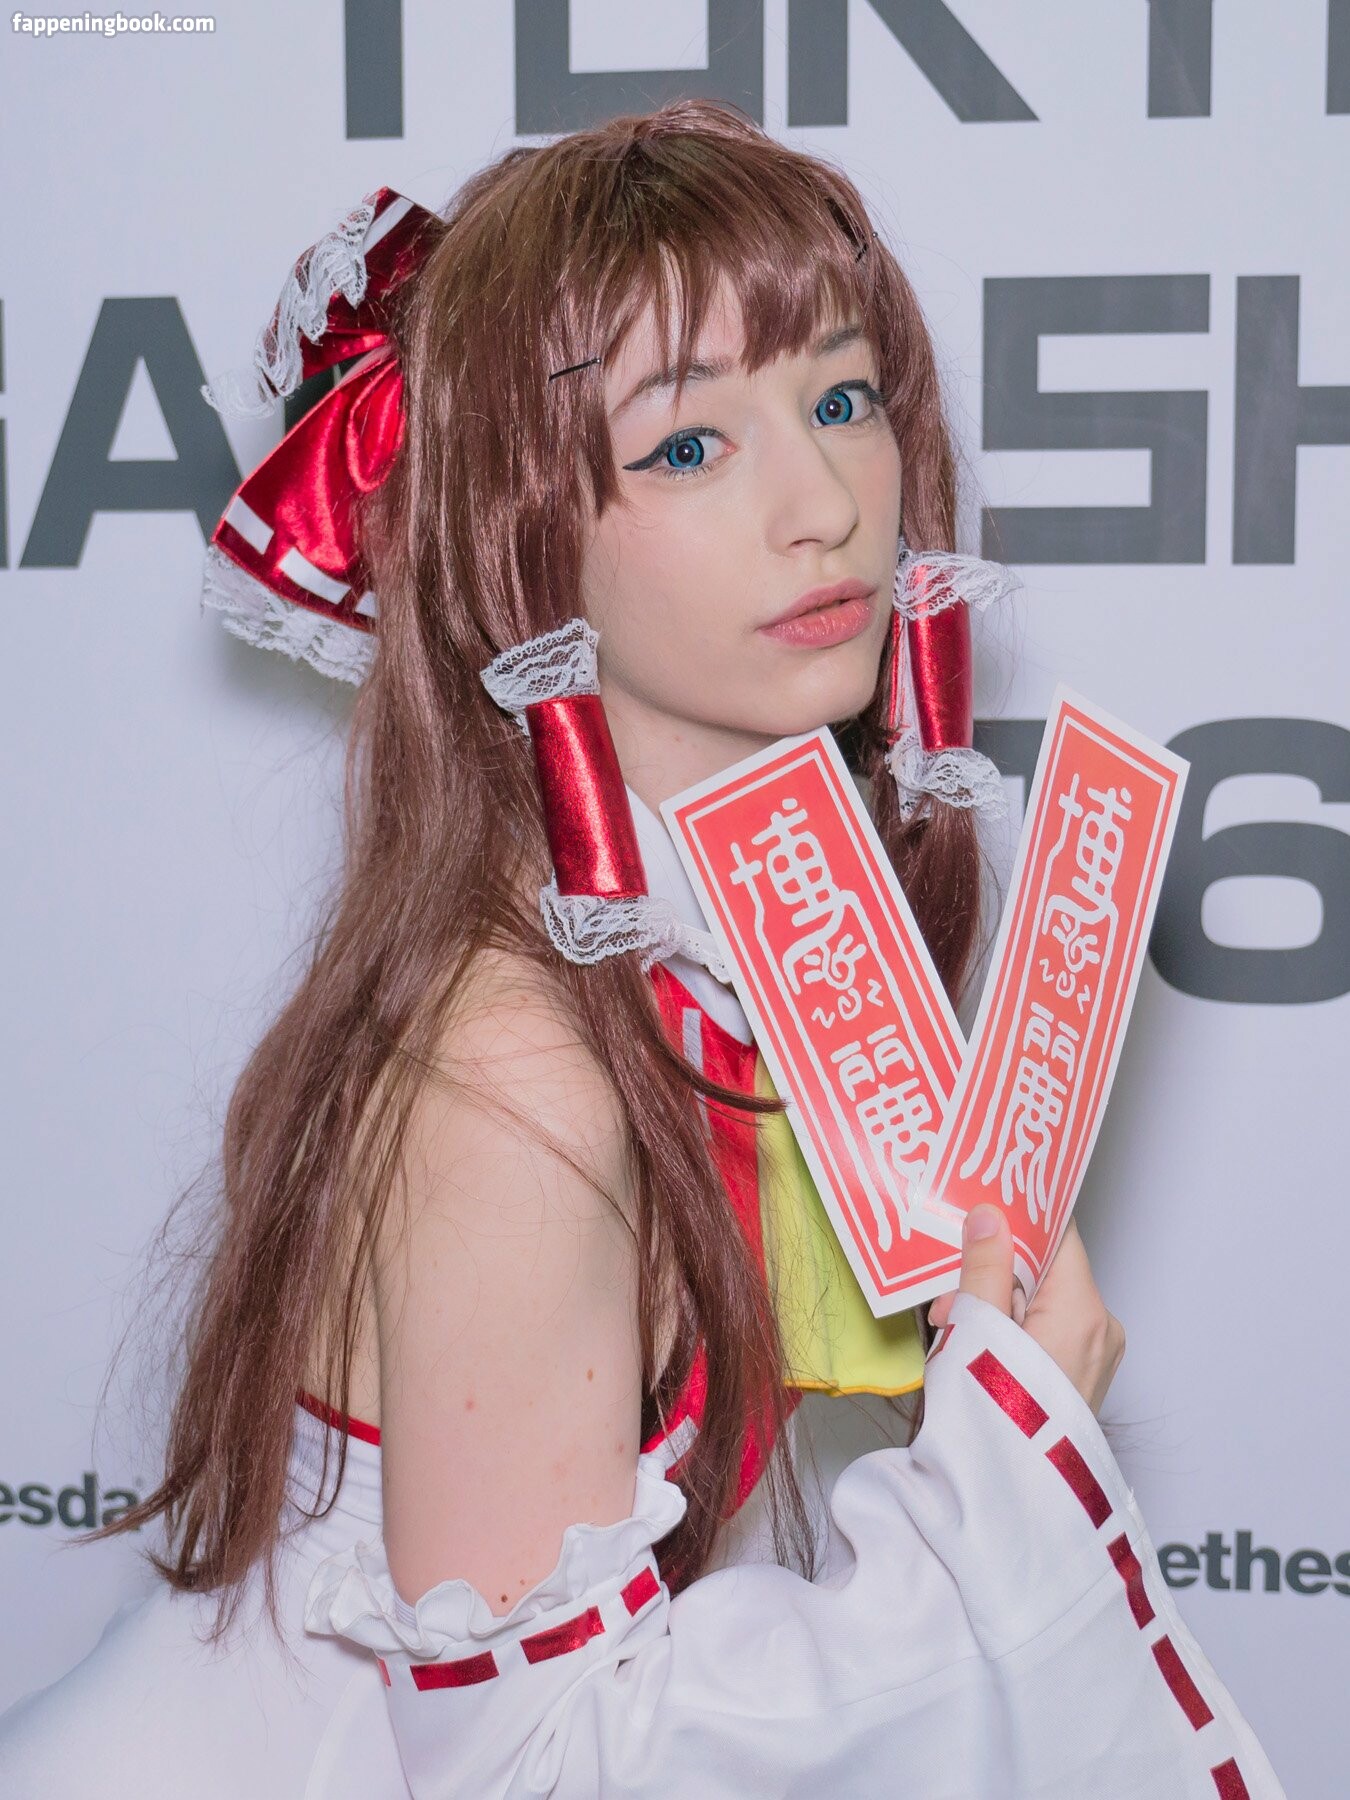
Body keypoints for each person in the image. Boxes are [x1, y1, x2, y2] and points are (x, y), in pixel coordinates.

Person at [0, 101, 1283, 1798]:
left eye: (841, 399)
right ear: (517, 535)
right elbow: (527, 1764)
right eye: (685, 446)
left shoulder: (733, 940)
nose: (823, 503)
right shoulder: (521, 1065)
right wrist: (1004, 1467)